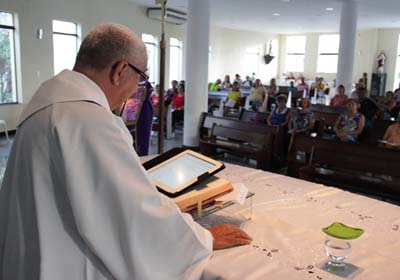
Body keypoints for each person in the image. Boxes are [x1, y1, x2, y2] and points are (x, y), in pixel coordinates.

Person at [0, 23, 252, 280]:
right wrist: (203, 238)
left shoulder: (45, 105)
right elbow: (132, 215)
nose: (135, 90)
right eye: (141, 77)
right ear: (120, 70)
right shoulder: (90, 120)